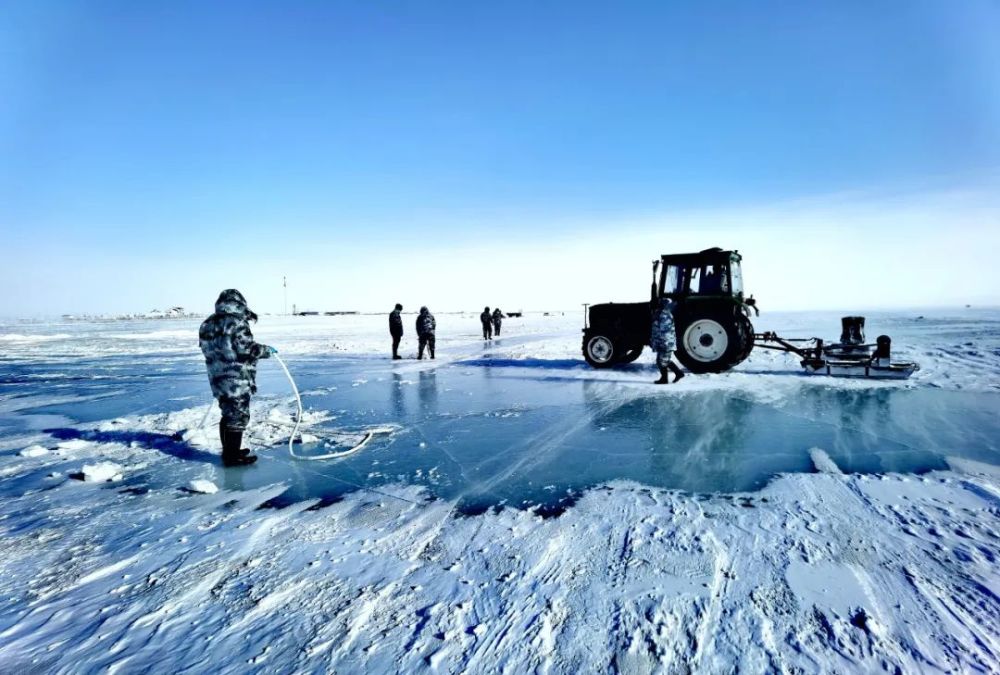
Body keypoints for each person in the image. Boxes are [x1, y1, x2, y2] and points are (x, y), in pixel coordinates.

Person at [199, 289, 275, 466]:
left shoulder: (207, 323)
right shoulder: (236, 322)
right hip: (236, 379)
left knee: (227, 413)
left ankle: (229, 452)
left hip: (217, 378)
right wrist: (265, 350)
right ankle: (232, 457)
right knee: (238, 416)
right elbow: (246, 349)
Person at [651, 297, 685, 384]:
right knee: (663, 360)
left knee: (662, 361)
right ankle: (678, 373)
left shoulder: (664, 315)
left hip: (666, 342)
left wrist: (664, 343)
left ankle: (665, 378)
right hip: (663, 341)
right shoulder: (661, 313)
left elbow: (665, 331)